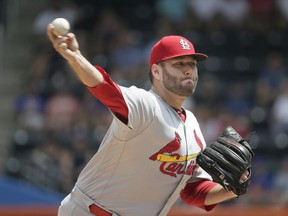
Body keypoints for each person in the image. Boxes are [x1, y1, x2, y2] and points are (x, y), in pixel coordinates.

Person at [47, 24, 249, 216]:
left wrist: (233, 189)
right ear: (156, 71)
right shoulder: (146, 104)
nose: (188, 70)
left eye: (192, 64)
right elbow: (105, 88)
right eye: (178, 64)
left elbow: (193, 190)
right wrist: (75, 57)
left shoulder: (192, 124)